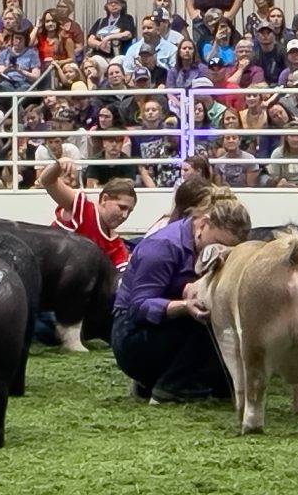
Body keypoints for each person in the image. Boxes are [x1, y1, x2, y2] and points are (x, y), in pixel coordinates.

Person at [111, 193, 250, 403]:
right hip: (132, 333)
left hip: (171, 329)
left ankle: (153, 382)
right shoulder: (162, 246)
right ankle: (171, 388)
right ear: (203, 224)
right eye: (219, 243)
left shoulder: (204, 247)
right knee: (210, 321)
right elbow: (139, 307)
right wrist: (184, 306)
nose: (222, 252)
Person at [43, 159, 135, 266]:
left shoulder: (117, 247)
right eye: (122, 207)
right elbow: (47, 181)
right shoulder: (80, 206)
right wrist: (59, 164)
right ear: (104, 199)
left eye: (129, 211)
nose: (125, 215)